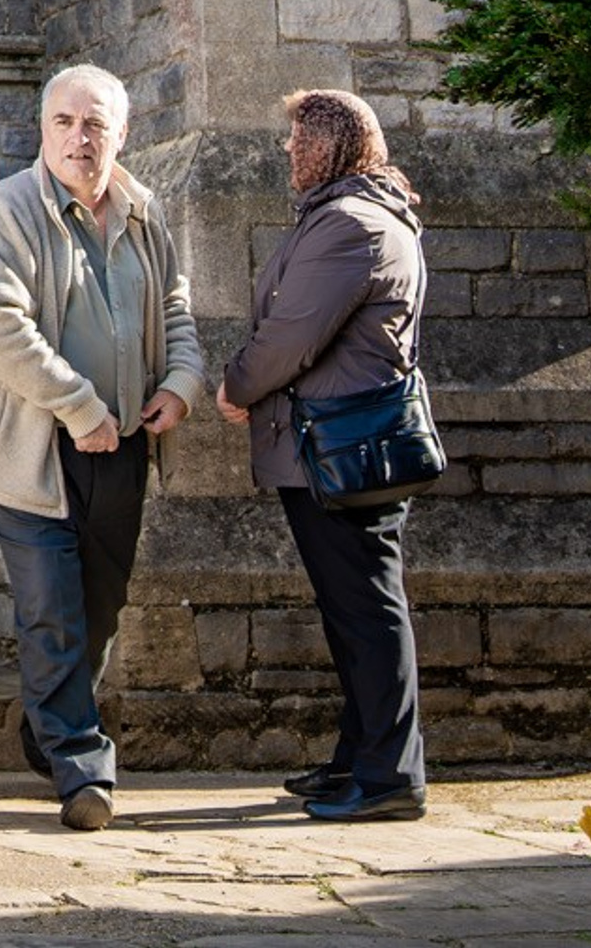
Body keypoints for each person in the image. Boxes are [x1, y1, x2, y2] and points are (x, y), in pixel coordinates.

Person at [0, 63, 200, 834]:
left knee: (99, 613)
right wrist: (79, 406)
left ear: (122, 134)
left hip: (123, 447)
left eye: (95, 124)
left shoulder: (143, 210)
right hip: (30, 453)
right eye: (64, 121)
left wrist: (184, 381)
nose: (79, 137)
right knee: (53, 614)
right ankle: (83, 770)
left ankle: (48, 726)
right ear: (42, 128)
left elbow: (174, 305)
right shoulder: (4, 212)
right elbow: (2, 329)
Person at [216, 89, 431, 824]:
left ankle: (391, 776)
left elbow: (290, 335)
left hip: (339, 451)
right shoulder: (355, 213)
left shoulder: (349, 224)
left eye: (299, 137)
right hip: (333, 446)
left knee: (368, 612)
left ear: (333, 144)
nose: (287, 149)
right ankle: (359, 760)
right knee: (353, 612)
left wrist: (236, 383)